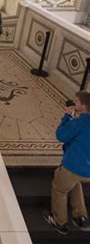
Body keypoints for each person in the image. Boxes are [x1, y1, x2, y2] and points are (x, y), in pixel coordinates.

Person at [43, 92, 90, 235]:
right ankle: (80, 216)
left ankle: (59, 222)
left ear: (83, 106)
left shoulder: (78, 123)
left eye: (77, 101)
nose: (74, 103)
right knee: (75, 183)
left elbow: (61, 135)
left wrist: (67, 117)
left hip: (72, 167)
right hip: (87, 172)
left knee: (59, 189)